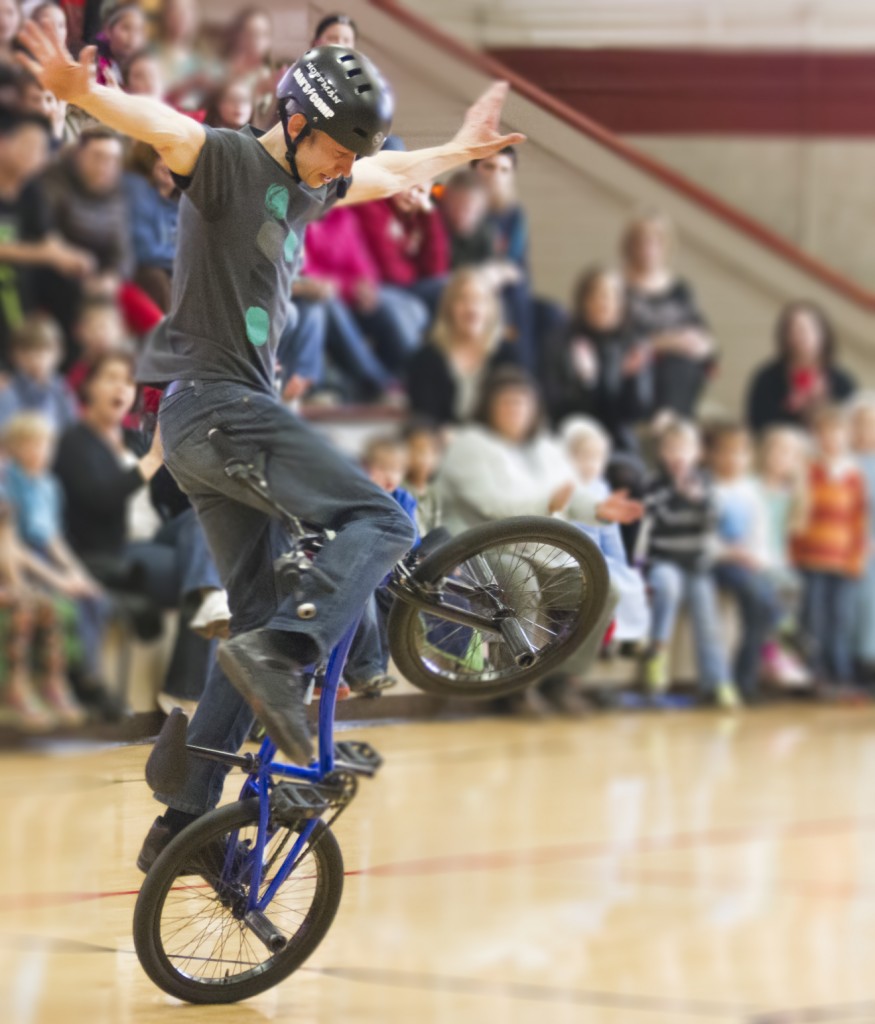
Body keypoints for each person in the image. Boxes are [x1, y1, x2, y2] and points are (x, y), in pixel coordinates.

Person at [15, 22, 527, 861]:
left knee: (253, 616)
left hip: (198, 428)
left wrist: (458, 152)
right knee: (384, 522)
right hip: (221, 407)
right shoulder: (228, 162)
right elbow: (164, 126)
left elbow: (388, 170)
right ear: (294, 121)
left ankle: (183, 821)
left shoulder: (308, 185)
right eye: (334, 148)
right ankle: (291, 650)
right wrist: (85, 96)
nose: (341, 166)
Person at [438, 367, 641, 715]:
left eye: (522, 403)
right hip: (480, 547)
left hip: (545, 547)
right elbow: (494, 506)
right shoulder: (468, 445)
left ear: (534, 409)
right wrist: (550, 502)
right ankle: (513, 686)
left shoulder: (546, 447)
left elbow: (570, 494)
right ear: (488, 405)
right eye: (507, 402)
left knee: (604, 588)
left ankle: (562, 680)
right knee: (520, 581)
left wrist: (598, 507)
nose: (515, 410)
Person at [55, 351, 228, 713]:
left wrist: (186, 454)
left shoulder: (134, 440)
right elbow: (99, 500)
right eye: (110, 378)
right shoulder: (72, 442)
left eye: (125, 380)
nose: (120, 387)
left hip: (157, 541)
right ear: (87, 387)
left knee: (211, 517)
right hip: (111, 552)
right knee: (208, 576)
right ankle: (186, 686)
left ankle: (188, 679)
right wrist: (152, 460)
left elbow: (176, 499)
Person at [635, 419, 740, 709]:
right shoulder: (653, 484)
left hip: (696, 565)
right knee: (666, 587)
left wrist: (699, 500)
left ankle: (717, 682)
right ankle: (656, 657)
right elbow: (662, 519)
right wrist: (680, 495)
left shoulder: (705, 484)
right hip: (665, 561)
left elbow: (713, 521)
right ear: (660, 452)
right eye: (670, 448)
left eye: (684, 448)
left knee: (708, 620)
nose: (678, 454)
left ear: (698, 453)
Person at [706, 422, 808, 698]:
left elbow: (759, 537)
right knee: (757, 595)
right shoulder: (710, 491)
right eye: (727, 453)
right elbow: (706, 538)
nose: (733, 460)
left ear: (748, 457)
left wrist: (758, 561)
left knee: (764, 599)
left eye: (740, 453)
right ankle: (758, 663)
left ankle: (748, 678)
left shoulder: (750, 494)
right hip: (719, 563)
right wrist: (734, 554)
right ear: (713, 456)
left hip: (747, 563)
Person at [0, 107, 93, 362]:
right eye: (29, 146)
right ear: (3, 143)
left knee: (70, 280)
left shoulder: (31, 192)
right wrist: (45, 254)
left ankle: (67, 370)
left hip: (21, 280)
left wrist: (71, 258)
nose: (37, 156)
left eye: (42, 150)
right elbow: (43, 250)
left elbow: (48, 240)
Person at [791, 405, 867, 689]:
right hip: (811, 559)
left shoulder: (853, 475)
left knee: (841, 619)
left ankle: (841, 674)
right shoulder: (808, 471)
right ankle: (815, 674)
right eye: (824, 434)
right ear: (816, 437)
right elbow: (797, 515)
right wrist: (796, 553)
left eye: (837, 434)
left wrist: (856, 556)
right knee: (813, 618)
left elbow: (858, 519)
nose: (831, 440)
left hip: (842, 560)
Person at [543, 267, 652, 454]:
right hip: (568, 437)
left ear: (621, 304)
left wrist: (630, 379)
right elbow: (552, 404)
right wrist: (586, 382)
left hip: (615, 442)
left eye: (611, 297)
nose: (604, 303)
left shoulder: (631, 344)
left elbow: (636, 413)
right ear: (583, 302)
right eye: (597, 296)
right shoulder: (561, 340)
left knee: (626, 477)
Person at [561, 416, 650, 648]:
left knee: (628, 583)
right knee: (594, 586)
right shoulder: (564, 488)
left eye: (597, 459)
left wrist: (621, 562)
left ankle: (620, 637)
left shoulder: (602, 490)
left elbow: (610, 535)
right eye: (584, 457)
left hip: (600, 556)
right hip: (570, 558)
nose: (591, 464)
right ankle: (587, 635)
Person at [622, 212, 716, 422]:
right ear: (630, 246)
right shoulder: (620, 288)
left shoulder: (680, 289)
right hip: (642, 367)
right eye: (642, 242)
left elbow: (699, 328)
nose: (649, 249)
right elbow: (622, 338)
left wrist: (704, 344)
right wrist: (666, 342)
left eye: (656, 242)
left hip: (681, 366)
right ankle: (666, 421)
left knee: (683, 362)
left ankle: (670, 420)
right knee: (669, 362)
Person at [406, 268, 517, 425]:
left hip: (497, 442)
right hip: (445, 443)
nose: (471, 308)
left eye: (479, 300)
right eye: (463, 300)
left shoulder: (507, 355)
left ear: (492, 309)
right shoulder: (426, 359)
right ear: (449, 308)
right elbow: (425, 418)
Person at [746, 301, 856, 434]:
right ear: (785, 336)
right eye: (795, 330)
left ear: (823, 333)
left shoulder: (841, 380)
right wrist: (790, 408)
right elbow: (757, 425)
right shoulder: (767, 377)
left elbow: (853, 429)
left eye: (809, 329)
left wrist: (823, 405)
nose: (803, 336)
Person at [123, 142, 179, 312]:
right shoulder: (136, 187)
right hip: (136, 270)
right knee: (156, 278)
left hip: (169, 269)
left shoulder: (181, 198)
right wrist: (184, 261)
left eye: (177, 159)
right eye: (162, 156)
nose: (170, 164)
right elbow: (144, 251)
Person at [0, 312, 78, 430]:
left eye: (44, 350)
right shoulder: (8, 391)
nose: (36, 358)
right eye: (27, 352)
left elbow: (73, 428)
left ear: (59, 352)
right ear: (14, 355)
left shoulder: (61, 388)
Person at [850, 394, 875, 685]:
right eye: (858, 424)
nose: (865, 431)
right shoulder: (845, 463)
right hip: (848, 545)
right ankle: (861, 661)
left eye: (870, 424)